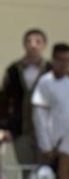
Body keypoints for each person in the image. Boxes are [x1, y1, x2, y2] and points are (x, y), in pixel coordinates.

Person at [31, 43, 69, 164]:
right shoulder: (45, 82)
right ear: (53, 59)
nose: (64, 64)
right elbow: (39, 117)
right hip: (58, 141)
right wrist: (46, 147)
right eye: (60, 60)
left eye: (68, 60)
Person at [1, 28, 49, 165]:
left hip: (46, 132)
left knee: (45, 171)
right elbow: (4, 100)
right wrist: (4, 127)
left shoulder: (50, 70)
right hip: (20, 130)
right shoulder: (13, 70)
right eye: (29, 41)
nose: (33, 45)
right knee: (25, 169)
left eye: (38, 41)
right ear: (24, 44)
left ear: (44, 45)